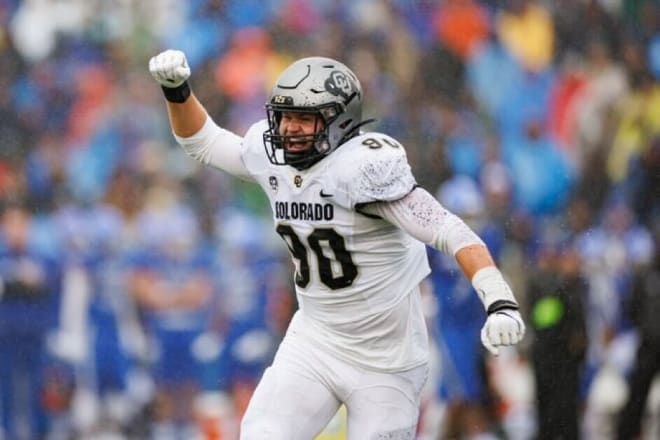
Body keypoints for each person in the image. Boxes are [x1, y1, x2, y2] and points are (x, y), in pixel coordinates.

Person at [148, 49, 526, 439]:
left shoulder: (365, 168)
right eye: (285, 116)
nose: (290, 128)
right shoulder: (273, 155)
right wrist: (177, 90)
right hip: (317, 339)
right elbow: (203, 142)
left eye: (304, 118)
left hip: (387, 359)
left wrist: (499, 301)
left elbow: (449, 230)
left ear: (339, 122)